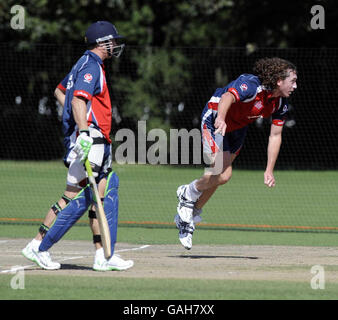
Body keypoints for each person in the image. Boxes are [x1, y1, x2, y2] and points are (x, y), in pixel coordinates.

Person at [22, 21, 134, 271]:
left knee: (92, 197)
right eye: (112, 41)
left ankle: (101, 255)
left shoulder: (84, 64)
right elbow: (78, 101)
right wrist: (83, 130)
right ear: (101, 42)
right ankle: (38, 246)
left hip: (93, 138)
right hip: (90, 139)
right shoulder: (91, 66)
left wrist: (78, 121)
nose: (115, 45)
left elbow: (60, 92)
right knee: (80, 197)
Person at [174, 57, 298, 250]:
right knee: (219, 172)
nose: (295, 86)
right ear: (280, 81)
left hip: (237, 130)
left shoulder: (279, 103)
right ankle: (187, 193)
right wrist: (221, 119)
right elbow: (227, 98)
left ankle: (190, 213)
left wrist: (269, 170)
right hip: (215, 120)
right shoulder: (251, 85)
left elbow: (275, 135)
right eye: (293, 81)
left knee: (224, 177)